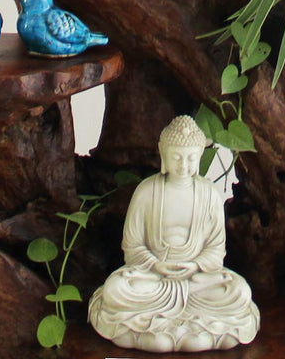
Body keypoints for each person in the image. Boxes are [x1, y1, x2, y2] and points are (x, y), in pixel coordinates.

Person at [88, 115, 260, 352]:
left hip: (196, 280)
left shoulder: (209, 194)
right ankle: (193, 331)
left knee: (239, 292)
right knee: (115, 289)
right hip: (153, 278)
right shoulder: (147, 192)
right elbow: (132, 246)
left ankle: (156, 330)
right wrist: (156, 266)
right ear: (163, 155)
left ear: (199, 156)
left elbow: (216, 249)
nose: (184, 164)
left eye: (190, 158)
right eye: (177, 157)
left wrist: (195, 265)